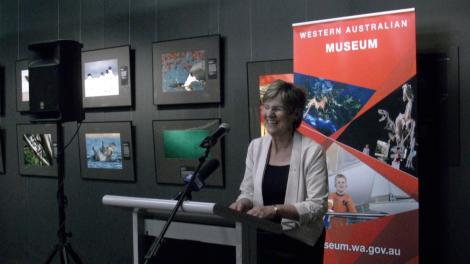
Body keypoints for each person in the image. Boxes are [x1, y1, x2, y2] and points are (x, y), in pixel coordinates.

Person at [230, 80, 329, 263]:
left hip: (299, 245)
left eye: (277, 109)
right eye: (266, 107)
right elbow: (248, 191)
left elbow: (317, 206)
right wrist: (243, 202)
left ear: (295, 114)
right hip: (260, 241)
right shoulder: (256, 147)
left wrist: (275, 210)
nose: (269, 114)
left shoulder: (312, 151)